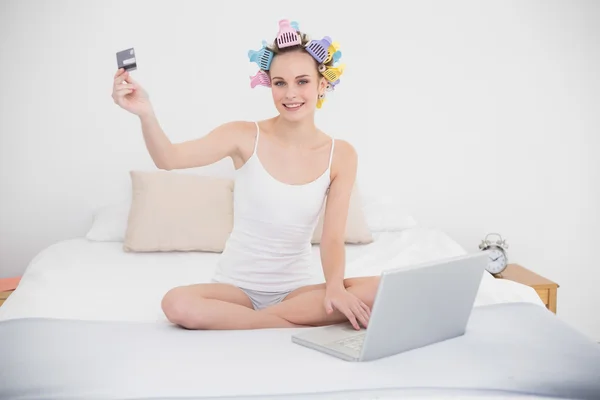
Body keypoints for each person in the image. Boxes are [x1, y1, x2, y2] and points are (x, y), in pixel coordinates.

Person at [111, 20, 380, 331]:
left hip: (298, 292)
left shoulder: (341, 154)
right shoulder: (243, 135)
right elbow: (169, 158)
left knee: (380, 288)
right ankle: (283, 323)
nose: (290, 93)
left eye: (302, 81)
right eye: (279, 83)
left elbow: (332, 238)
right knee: (176, 303)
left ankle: (255, 323)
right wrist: (146, 113)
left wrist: (334, 288)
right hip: (235, 291)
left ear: (322, 85)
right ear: (270, 85)